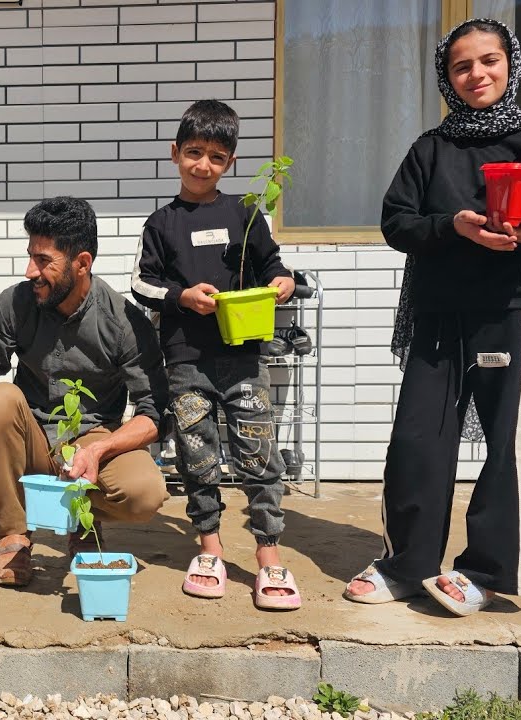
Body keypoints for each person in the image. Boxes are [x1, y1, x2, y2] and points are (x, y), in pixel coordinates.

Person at [344, 18, 521, 616]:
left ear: (510, 65)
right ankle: (406, 564)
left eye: (489, 61)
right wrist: (453, 225)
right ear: (447, 76)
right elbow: (397, 222)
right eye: (462, 65)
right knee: (419, 438)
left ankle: (487, 572)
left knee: (505, 444)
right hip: (438, 313)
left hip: (509, 309)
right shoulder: (430, 148)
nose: (477, 74)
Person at [0, 195, 171, 587]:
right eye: (31, 256)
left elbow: (155, 412)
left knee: (144, 493)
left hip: (92, 437)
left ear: (82, 263)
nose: (31, 271)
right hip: (30, 435)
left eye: (44, 260)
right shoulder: (16, 304)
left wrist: (100, 450)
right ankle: (13, 534)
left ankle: (84, 524)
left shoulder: (124, 324)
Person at [132, 99, 300, 609]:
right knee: (197, 456)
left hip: (244, 357)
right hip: (185, 360)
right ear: (175, 154)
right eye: (194, 152)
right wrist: (181, 296)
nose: (203, 165)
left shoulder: (246, 214)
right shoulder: (162, 224)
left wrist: (282, 281)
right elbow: (142, 284)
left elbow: (272, 263)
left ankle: (268, 554)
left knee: (259, 453)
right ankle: (209, 548)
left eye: (216, 156)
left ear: (230, 162)